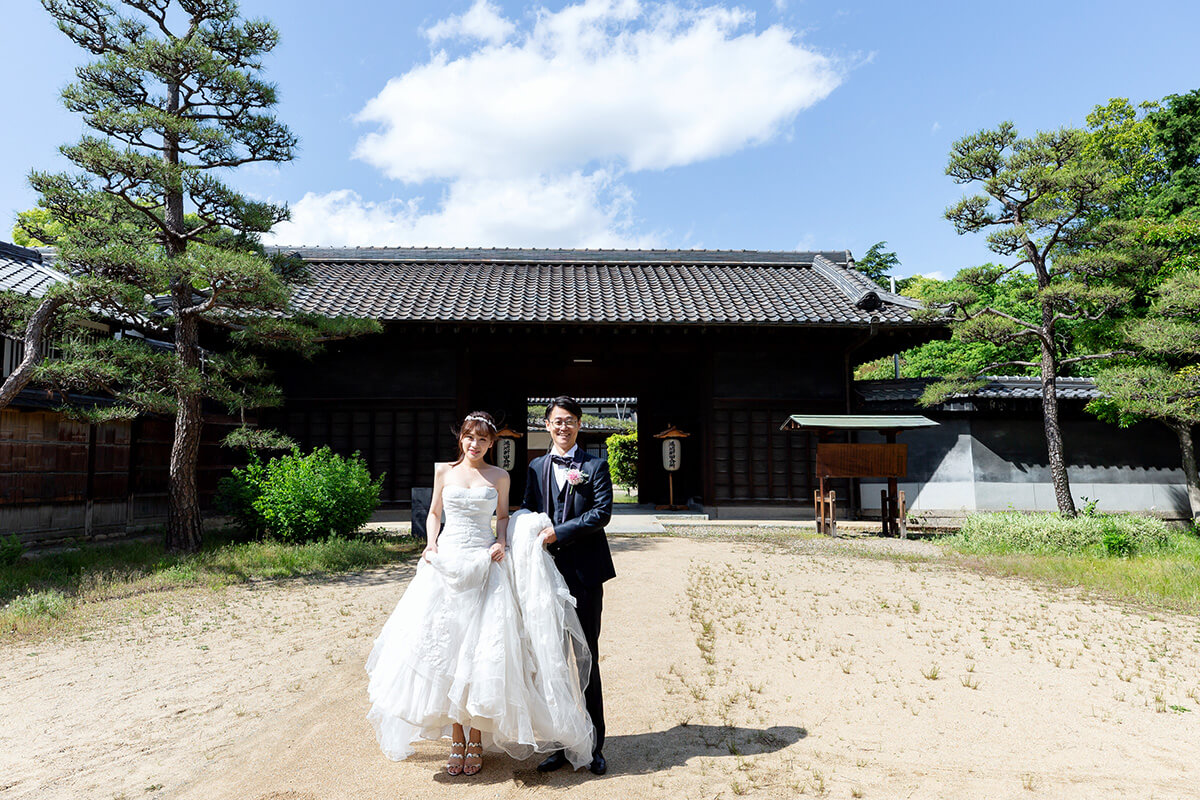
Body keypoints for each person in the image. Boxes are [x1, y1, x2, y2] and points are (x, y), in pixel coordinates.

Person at [365, 411, 594, 776]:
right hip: (446, 563)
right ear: (462, 439)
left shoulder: (500, 476)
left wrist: (501, 541)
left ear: (492, 443)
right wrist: (430, 545)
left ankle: (476, 738)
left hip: (485, 563)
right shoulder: (444, 471)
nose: (476, 444)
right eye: (470, 437)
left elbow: (502, 517)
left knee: (484, 653)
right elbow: (434, 512)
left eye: (483, 439)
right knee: (447, 649)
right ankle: (455, 738)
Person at [522, 396, 616, 776]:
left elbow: (601, 513)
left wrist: (556, 533)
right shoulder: (535, 467)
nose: (564, 427)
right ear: (547, 425)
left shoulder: (596, 466)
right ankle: (560, 743)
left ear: (579, 425)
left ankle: (594, 745)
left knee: (585, 657)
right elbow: (528, 508)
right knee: (552, 659)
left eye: (571, 421)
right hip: (545, 575)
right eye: (557, 421)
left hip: (585, 574)